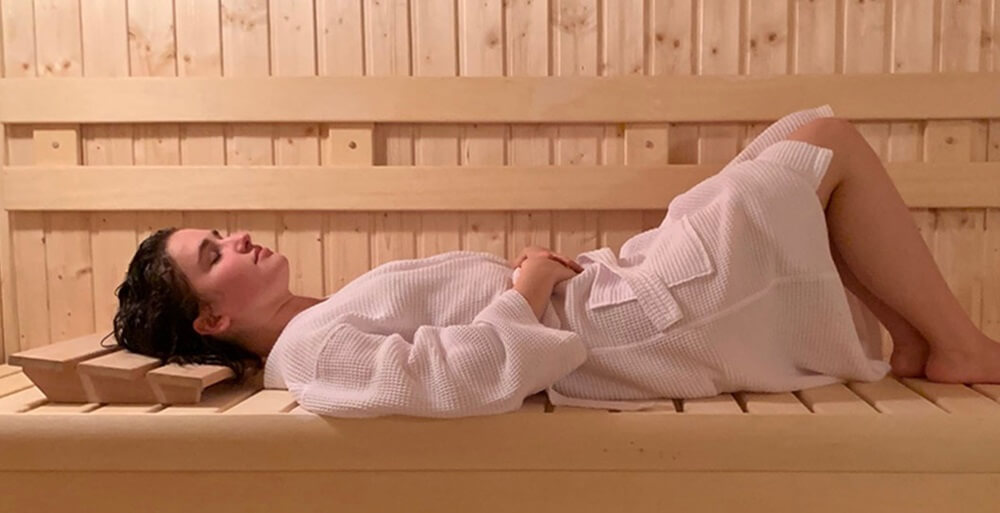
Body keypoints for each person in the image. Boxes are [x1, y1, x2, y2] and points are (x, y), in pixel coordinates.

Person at [109, 105, 1000, 418]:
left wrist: (536, 282)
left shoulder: (316, 322)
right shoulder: (305, 355)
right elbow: (463, 379)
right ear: (213, 319)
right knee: (821, 144)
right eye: (212, 254)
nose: (237, 237)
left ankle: (927, 344)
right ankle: (960, 346)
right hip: (626, 323)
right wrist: (530, 284)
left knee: (797, 154)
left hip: (616, 295)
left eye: (220, 230)